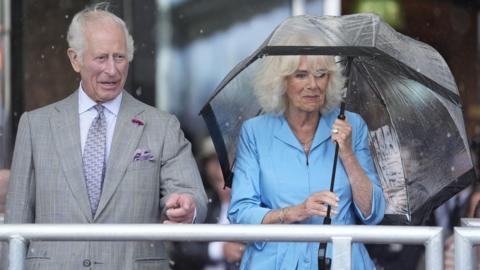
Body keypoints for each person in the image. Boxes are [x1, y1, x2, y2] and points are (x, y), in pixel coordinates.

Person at [3, 3, 207, 270]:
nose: (112, 70)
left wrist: (188, 208)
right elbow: (16, 223)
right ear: (75, 59)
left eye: (120, 57)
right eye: (101, 58)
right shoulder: (35, 126)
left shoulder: (162, 126)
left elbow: (195, 197)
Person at [227, 31, 385, 269]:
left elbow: (372, 213)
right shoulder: (255, 132)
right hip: (275, 262)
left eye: (321, 75)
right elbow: (240, 213)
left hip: (341, 261)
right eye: (301, 75)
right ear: (282, 82)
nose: (313, 85)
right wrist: (294, 212)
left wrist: (348, 154)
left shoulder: (351, 125)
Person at [171, 137, 243, 270]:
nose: (218, 167)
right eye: (212, 161)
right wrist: (219, 250)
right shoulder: (205, 206)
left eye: (224, 159)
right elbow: (183, 248)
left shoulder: (256, 205)